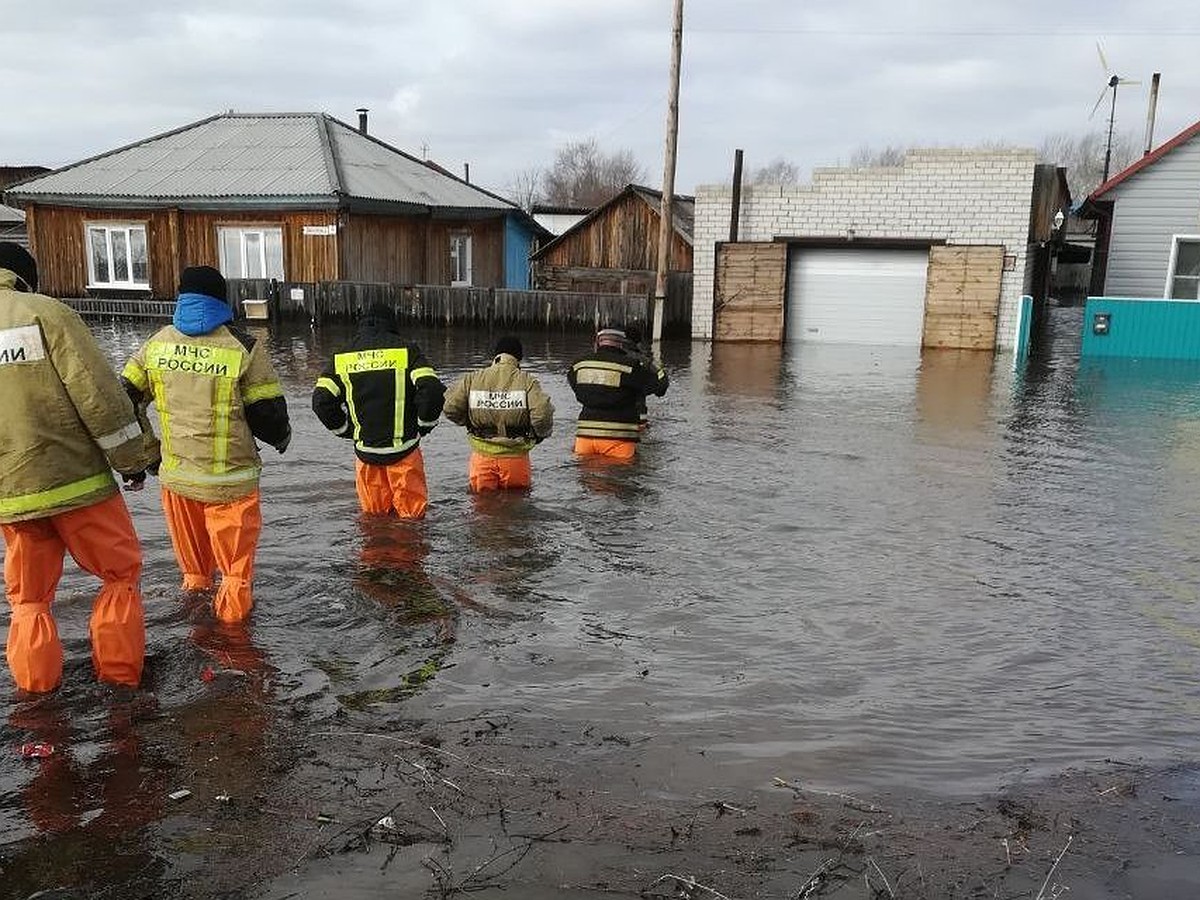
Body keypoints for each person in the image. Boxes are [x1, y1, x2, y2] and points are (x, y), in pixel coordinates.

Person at [0, 242, 157, 693]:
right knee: (118, 577)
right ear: (25, 277)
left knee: (28, 599)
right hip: (78, 483)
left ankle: (35, 695)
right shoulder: (46, 314)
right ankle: (121, 683)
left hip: (11, 496)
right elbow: (99, 398)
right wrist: (134, 462)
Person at [122, 266, 291, 624]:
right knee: (234, 576)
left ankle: (195, 630)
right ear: (222, 299)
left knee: (195, 575)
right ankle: (234, 646)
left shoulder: (156, 344)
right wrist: (282, 439)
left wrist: (149, 455)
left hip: (178, 482)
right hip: (231, 484)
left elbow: (123, 401)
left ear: (181, 297)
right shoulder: (243, 346)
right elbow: (267, 415)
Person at [311, 303, 446, 518]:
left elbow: (321, 401)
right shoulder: (407, 350)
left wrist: (345, 429)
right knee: (413, 522)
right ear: (392, 323)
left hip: (366, 456)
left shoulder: (342, 356)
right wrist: (425, 424)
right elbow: (431, 389)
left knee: (373, 522)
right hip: (405, 452)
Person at [442, 335, 554, 492]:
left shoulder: (473, 378)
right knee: (516, 507)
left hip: (482, 455)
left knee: (482, 509)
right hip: (515, 457)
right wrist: (539, 435)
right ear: (518, 358)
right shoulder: (527, 381)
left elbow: (450, 407)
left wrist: (468, 421)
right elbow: (542, 414)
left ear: (495, 355)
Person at [567, 327, 669, 461]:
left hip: (585, 435)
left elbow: (574, 385)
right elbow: (659, 388)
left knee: (586, 477)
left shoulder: (579, 364)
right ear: (621, 344)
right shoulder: (632, 366)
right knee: (620, 477)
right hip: (619, 436)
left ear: (597, 342)